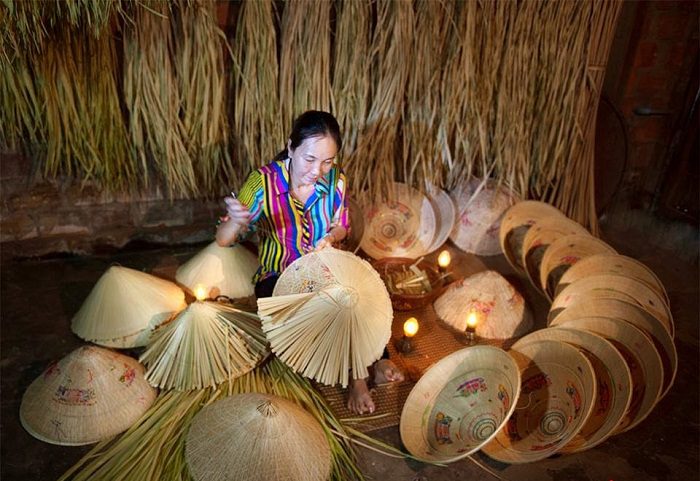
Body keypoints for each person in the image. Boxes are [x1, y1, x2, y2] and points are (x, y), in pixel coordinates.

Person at [216, 110, 403, 414]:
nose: (317, 170)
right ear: (291, 147)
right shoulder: (262, 182)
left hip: (324, 266)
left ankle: (373, 363)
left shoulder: (336, 179)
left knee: (357, 297)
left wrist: (330, 237)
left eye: (327, 161)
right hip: (278, 275)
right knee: (324, 312)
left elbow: (342, 226)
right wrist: (236, 221)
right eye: (310, 159)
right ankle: (358, 376)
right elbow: (224, 240)